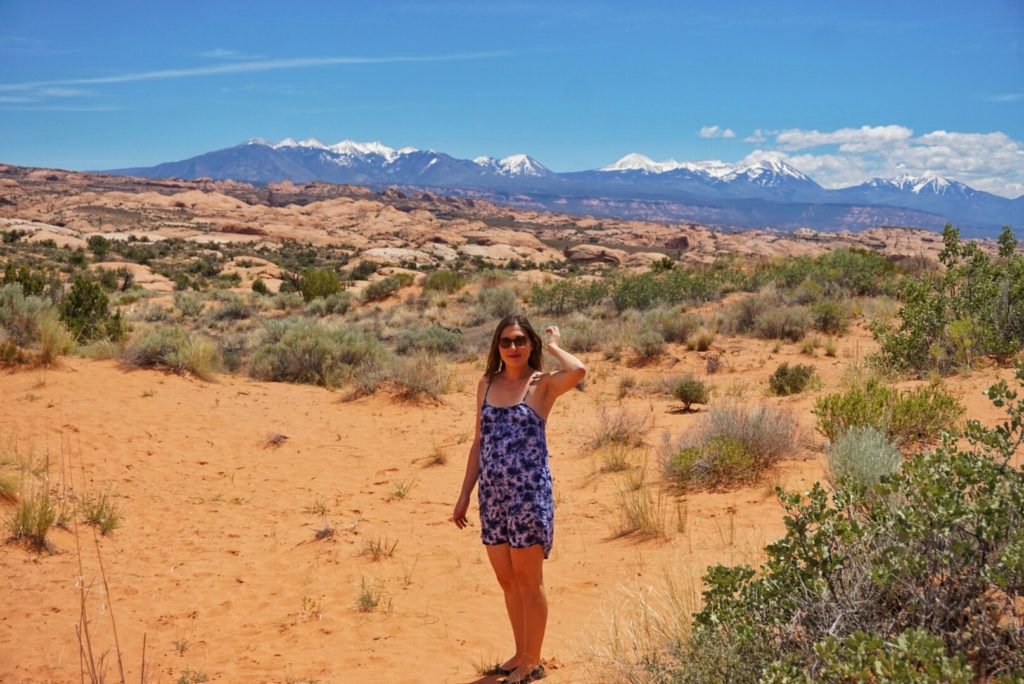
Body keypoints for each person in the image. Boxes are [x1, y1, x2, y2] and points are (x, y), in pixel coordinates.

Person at [452, 314, 586, 684]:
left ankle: (532, 661)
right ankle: (519, 653)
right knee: (508, 580)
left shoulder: (542, 385)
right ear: (497, 346)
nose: (513, 348)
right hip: (492, 496)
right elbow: (479, 442)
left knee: (529, 581)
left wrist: (556, 344)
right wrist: (465, 493)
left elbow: (579, 370)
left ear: (531, 345)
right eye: (506, 341)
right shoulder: (486, 383)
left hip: (528, 496)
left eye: (520, 341)